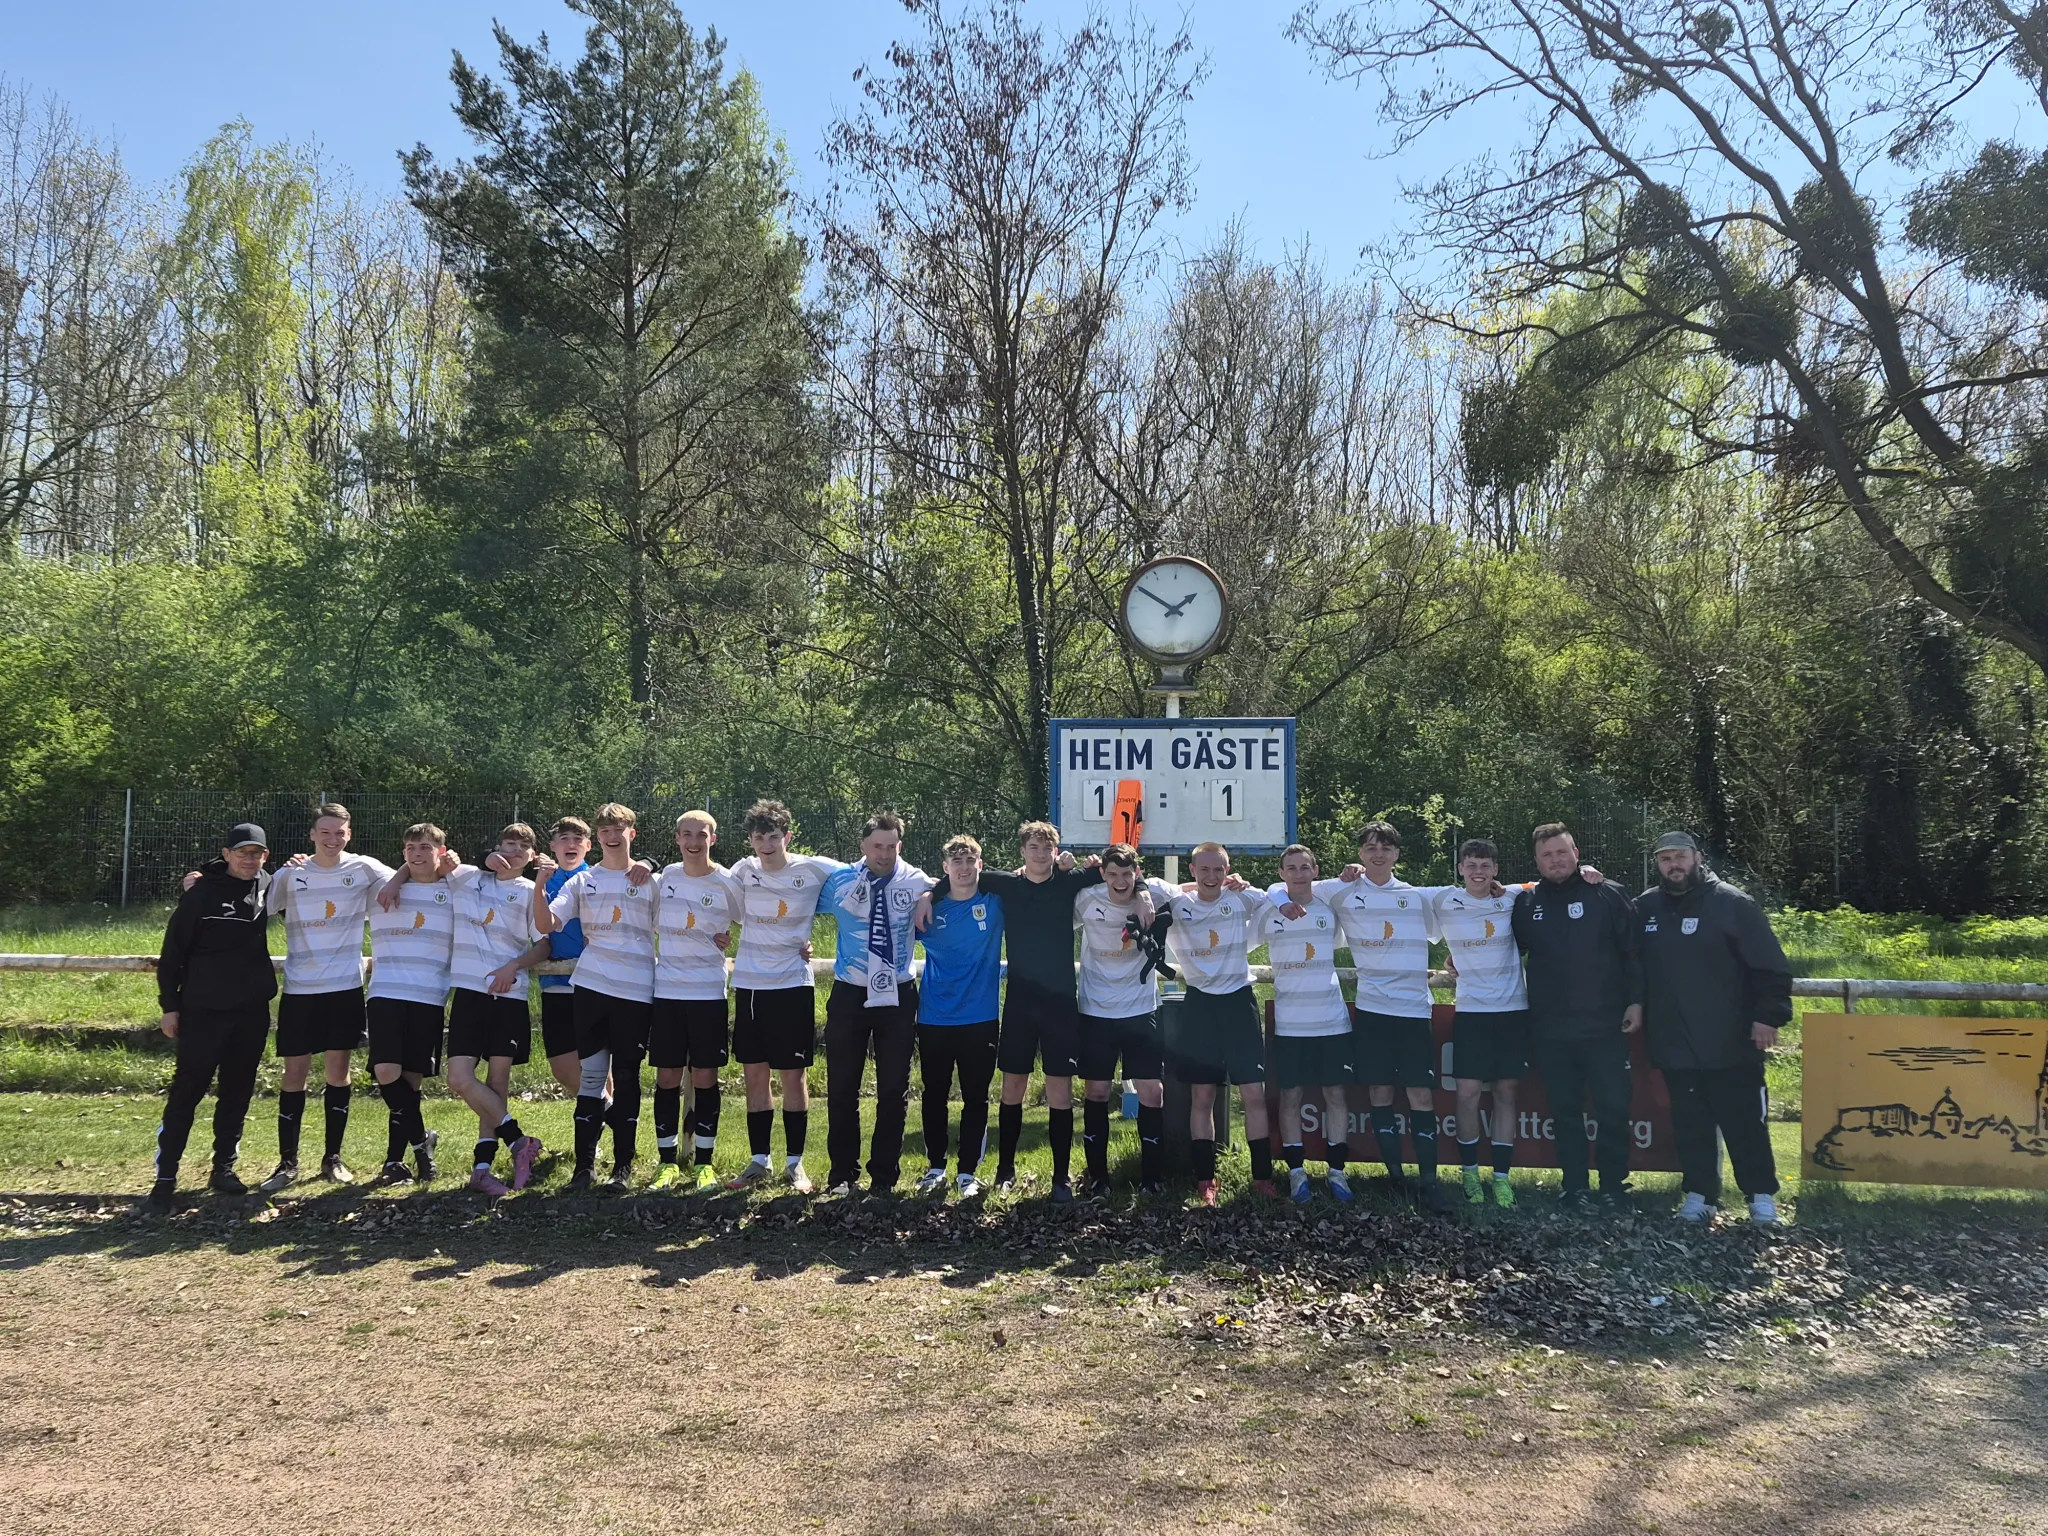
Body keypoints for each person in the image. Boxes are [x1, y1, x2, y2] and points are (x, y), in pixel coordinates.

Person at [933, 821, 1103, 1195]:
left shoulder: (1070, 881)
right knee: (1012, 1088)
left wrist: (1135, 889)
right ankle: (1004, 1171)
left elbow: (1120, 869)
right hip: (1021, 1003)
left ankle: (1060, 1178)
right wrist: (927, 897)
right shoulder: (1006, 884)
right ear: (1022, 852)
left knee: (1060, 1092)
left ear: (1056, 852)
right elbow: (960, 877)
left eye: (1047, 848)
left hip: (1060, 1004)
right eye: (1034, 848)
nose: (1041, 855)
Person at [1635, 831, 1793, 1226]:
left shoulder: (1732, 903)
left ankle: (1760, 1198)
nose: (1674, 865)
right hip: (1675, 1042)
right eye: (1665, 859)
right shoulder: (1646, 907)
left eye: (1680, 857)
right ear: (1658, 864)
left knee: (1745, 1123)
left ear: (1698, 858)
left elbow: (1771, 967)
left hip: (1731, 1041)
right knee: (1691, 1125)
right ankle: (1701, 1195)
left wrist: (1768, 1016)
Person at [254, 803, 389, 1191]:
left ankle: (333, 1158)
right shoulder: (291, 873)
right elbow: (255, 900)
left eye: (340, 833)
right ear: (312, 834)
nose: (333, 839)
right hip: (300, 988)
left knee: (338, 1073)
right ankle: (287, 1163)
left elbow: (410, 876)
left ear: (350, 834)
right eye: (325, 832)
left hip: (344, 987)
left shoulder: (364, 868)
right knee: (294, 1074)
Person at [1511, 822, 1644, 1210]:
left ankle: (1614, 1187)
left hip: (1605, 1025)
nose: (1555, 860)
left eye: (1561, 852)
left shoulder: (1608, 893)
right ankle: (1574, 1186)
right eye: (1546, 855)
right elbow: (1500, 946)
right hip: (1551, 1029)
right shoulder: (1526, 903)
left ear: (1576, 854)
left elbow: (1633, 952)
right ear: (1537, 861)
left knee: (1612, 1109)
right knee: (1564, 1111)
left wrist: (1636, 1001)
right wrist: (1458, 958)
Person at [1317, 822, 1450, 1209]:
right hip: (1372, 1010)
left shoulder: (1418, 896)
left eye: (1386, 847)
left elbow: (1477, 899)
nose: (1378, 854)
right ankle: (1395, 1179)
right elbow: (1285, 886)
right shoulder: (1341, 890)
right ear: (1360, 853)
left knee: (1420, 1094)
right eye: (1371, 847)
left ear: (1396, 854)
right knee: (1379, 1092)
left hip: (1414, 1011)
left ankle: (1429, 1182)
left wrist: (1456, 955)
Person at [149, 824, 278, 1211]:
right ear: (226, 854)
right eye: (242, 852)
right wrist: (169, 1006)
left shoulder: (266, 886)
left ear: (265, 856)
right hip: (203, 1012)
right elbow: (172, 954)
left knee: (237, 1091)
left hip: (251, 1012)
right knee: (187, 1092)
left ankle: (223, 1168)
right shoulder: (201, 893)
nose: (249, 859)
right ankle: (165, 1177)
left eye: (256, 853)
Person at [531, 804, 658, 1190]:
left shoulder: (651, 880)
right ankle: (583, 1169)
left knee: (627, 1077)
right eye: (605, 830)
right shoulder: (582, 881)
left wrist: (716, 937)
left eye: (619, 829)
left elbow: (679, 925)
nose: (612, 836)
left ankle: (623, 1169)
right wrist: (539, 885)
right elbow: (545, 924)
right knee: (591, 1078)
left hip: (635, 990)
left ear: (632, 834)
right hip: (591, 989)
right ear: (598, 837)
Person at [723, 799, 842, 1192]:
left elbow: (865, 871)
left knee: (793, 1076)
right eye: (759, 837)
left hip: (792, 985)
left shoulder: (814, 868)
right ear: (751, 839)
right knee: (755, 1075)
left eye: (774, 836)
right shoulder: (742, 869)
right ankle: (759, 1161)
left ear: (787, 836)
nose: (767, 845)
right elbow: (708, 891)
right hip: (751, 987)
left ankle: (795, 1164)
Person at [436, 824, 551, 1195]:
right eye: (508, 844)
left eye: (522, 848)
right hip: (469, 991)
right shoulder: (470, 877)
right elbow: (439, 860)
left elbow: (544, 945)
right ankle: (519, 1140)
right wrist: (482, 858)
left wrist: (512, 967)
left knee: (497, 1083)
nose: (513, 851)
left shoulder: (531, 891)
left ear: (532, 857)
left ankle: (482, 1169)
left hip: (508, 994)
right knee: (459, 1078)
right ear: (497, 846)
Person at [1162, 843, 1277, 1205]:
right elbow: (1144, 885)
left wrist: (1243, 884)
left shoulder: (1242, 898)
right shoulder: (1177, 903)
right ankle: (1205, 1180)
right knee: (1203, 1096)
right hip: (1199, 1005)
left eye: (1219, 870)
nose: (1212, 877)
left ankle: (1262, 1178)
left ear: (1228, 871)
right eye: (1205, 870)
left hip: (1239, 1003)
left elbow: (1276, 895)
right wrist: (1184, 888)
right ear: (1192, 871)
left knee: (1254, 1094)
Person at [819, 812, 927, 1195]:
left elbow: (960, 885)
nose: (883, 854)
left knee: (893, 1090)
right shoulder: (840, 880)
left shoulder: (916, 881)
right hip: (850, 992)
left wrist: (930, 896)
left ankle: (883, 1178)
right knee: (842, 1088)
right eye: (877, 846)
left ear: (900, 846)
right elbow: (793, 900)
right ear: (863, 846)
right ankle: (842, 1175)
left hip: (897, 995)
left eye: (891, 846)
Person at [1432, 838, 1531, 1208]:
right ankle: (1470, 1174)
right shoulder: (1444, 900)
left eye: (1485, 865)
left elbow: (1550, 881)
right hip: (1471, 1013)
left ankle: (1501, 1179)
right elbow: (1393, 893)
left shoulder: (1513, 896)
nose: (1478, 871)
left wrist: (1586, 870)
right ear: (1460, 869)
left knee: (1506, 1094)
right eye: (1471, 865)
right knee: (1467, 1095)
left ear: (1495, 870)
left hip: (1512, 1012)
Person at [1074, 844, 1176, 1199]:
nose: (1121, 881)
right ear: (1103, 873)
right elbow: (1049, 900)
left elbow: (1196, 890)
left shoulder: (1155, 892)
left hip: (1140, 1009)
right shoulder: (1087, 898)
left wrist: (1145, 893)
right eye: (1113, 874)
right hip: (1096, 1011)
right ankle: (1098, 1179)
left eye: (1128, 875)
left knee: (1153, 1092)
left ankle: (1151, 1179)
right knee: (1097, 1092)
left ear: (1138, 874)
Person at [1259, 844, 1356, 1204]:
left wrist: (1354, 870)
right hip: (1290, 1024)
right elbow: (1260, 898)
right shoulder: (1270, 910)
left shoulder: (1330, 906)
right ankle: (1296, 1174)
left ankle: (1337, 1173)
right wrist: (1276, 896)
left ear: (1315, 870)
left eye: (1305, 867)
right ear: (1281, 873)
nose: (1298, 874)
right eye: (1291, 868)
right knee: (1291, 1097)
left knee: (1336, 1096)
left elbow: (1352, 886)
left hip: (1332, 1021)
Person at [909, 835, 1003, 1198]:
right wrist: (926, 896)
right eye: (956, 862)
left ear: (980, 865)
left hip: (980, 1017)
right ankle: (935, 1167)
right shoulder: (930, 908)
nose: (964, 868)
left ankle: (967, 1173)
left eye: (970, 861)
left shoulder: (995, 903)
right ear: (945, 868)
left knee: (976, 1096)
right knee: (934, 1094)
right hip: (935, 1016)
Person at [651, 810, 740, 1191]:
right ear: (677, 838)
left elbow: (754, 921)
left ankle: (705, 1163)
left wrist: (802, 943)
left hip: (707, 991)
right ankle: (667, 1162)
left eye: (701, 835)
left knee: (705, 1077)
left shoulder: (727, 882)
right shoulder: (665, 878)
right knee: (667, 1077)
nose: (693, 842)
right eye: (686, 834)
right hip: (667, 991)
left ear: (712, 839)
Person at [366, 824, 460, 1185]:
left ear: (440, 851)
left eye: (424, 848)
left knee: (410, 1081)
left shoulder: (454, 889)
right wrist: (397, 878)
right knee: (386, 1072)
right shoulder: (380, 886)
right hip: (386, 991)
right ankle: (422, 1144)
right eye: (410, 848)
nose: (417, 854)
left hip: (429, 995)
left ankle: (394, 1161)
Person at [536, 818, 597, 1099]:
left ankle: (595, 1120)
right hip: (555, 982)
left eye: (577, 839)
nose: (571, 844)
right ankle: (607, 1110)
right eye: (564, 839)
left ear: (588, 845)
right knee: (562, 1068)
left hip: (593, 982)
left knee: (596, 1064)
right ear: (552, 846)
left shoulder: (597, 878)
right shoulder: (542, 881)